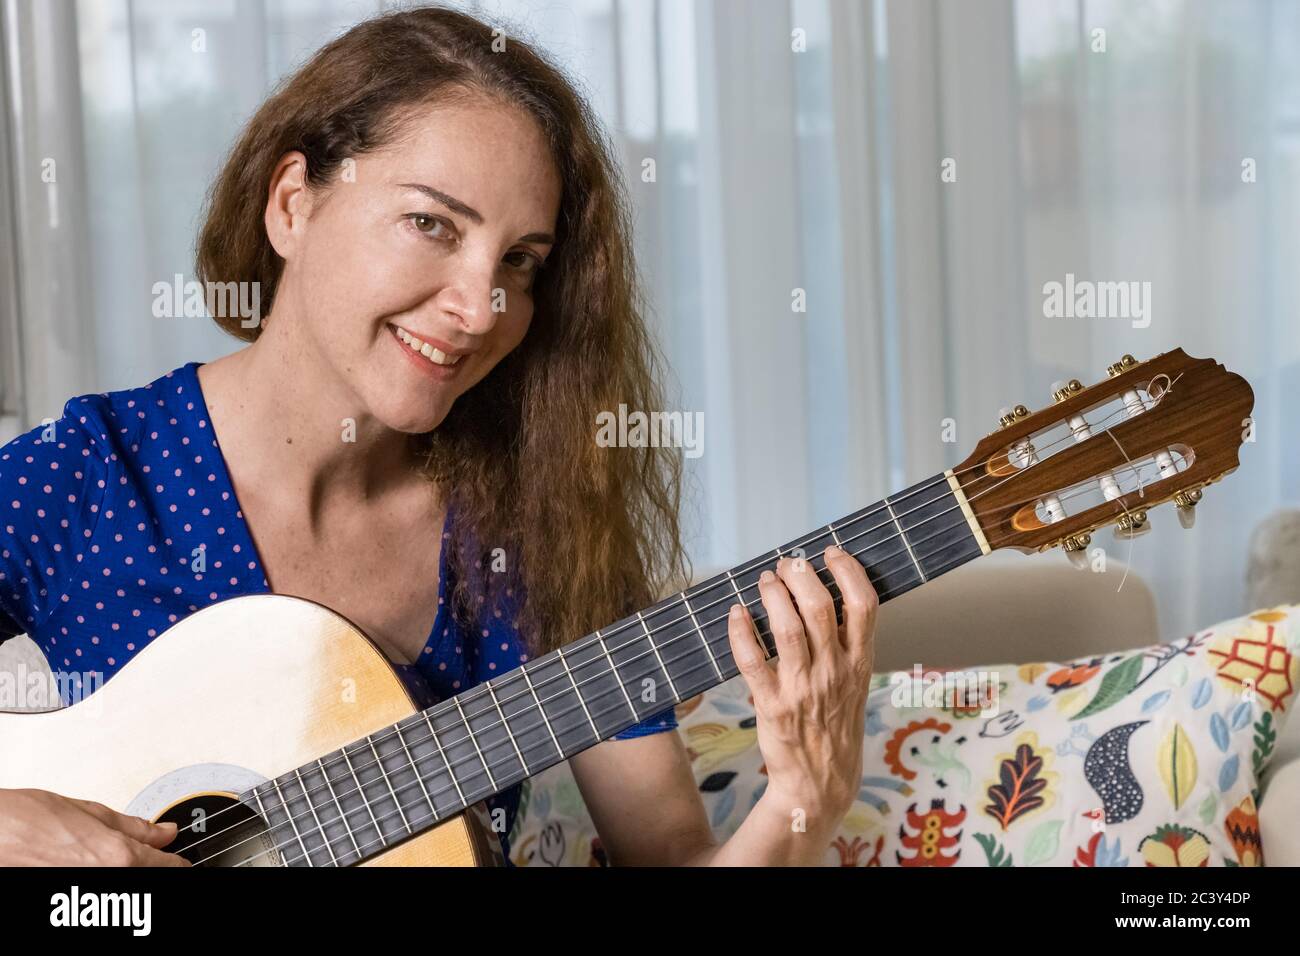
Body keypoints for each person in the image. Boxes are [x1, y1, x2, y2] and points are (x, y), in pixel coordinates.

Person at [0, 5, 876, 867]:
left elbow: (673, 858)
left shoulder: (533, 531)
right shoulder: (86, 475)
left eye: (519, 262)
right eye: (432, 224)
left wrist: (802, 807)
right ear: (292, 204)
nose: (479, 307)